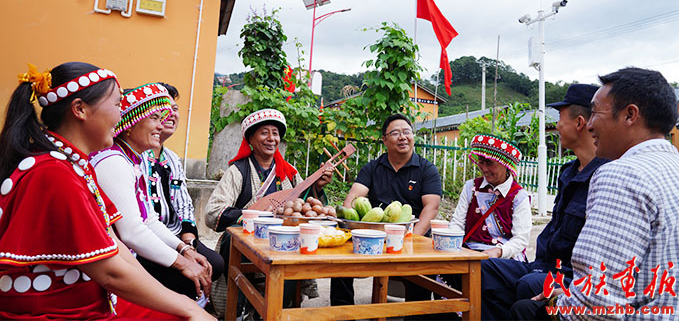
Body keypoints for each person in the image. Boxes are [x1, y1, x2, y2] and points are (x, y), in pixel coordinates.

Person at [0, 62, 212, 320]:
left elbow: (113, 242)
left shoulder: (76, 166)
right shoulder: (55, 172)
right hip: (58, 309)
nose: (121, 114)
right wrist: (186, 304)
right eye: (116, 104)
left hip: (88, 297)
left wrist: (178, 289)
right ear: (80, 109)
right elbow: (110, 269)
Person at [511, 67, 679, 319]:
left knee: (525, 309)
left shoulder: (621, 174)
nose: (590, 125)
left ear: (629, 115)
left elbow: (596, 302)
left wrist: (560, 305)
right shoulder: (672, 167)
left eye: (596, 113)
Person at [480, 84, 608, 320]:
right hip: (544, 266)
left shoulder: (606, 176)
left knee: (531, 285)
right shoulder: (567, 172)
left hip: (572, 275)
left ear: (579, 123)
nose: (557, 125)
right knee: (482, 270)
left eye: (560, 118)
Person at [92, 83, 213, 303]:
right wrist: (182, 262)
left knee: (202, 268)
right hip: (114, 263)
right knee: (187, 283)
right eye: (154, 118)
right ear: (130, 123)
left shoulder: (132, 160)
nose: (161, 125)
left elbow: (149, 220)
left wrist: (185, 248)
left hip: (128, 255)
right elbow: (132, 232)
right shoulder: (114, 161)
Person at [204, 108, 333, 314]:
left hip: (283, 243)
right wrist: (256, 217)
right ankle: (241, 309)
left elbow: (304, 203)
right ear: (251, 139)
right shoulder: (238, 171)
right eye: (264, 132)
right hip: (248, 243)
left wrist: (317, 187)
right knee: (231, 241)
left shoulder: (289, 173)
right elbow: (213, 213)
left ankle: (280, 308)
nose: (271, 138)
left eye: (275, 133)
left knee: (297, 248)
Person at [331, 113, 442, 306]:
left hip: (412, 235)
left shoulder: (426, 169)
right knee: (340, 264)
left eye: (407, 132)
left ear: (413, 137)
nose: (402, 137)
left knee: (423, 270)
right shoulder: (372, 168)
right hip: (373, 235)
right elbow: (352, 200)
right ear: (384, 140)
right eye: (396, 133)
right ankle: (343, 315)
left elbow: (431, 208)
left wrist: (410, 241)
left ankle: (415, 318)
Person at [141, 83, 224, 280]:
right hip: (150, 237)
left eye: (175, 109)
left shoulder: (172, 159)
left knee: (215, 263)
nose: (170, 114)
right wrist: (183, 250)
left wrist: (189, 241)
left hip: (177, 235)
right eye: (162, 109)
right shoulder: (136, 157)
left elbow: (184, 204)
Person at [449, 133, 531, 261]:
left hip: (504, 258)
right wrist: (452, 245)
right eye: (481, 162)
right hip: (470, 251)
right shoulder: (471, 187)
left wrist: (499, 251)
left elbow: (521, 239)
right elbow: (457, 223)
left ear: (505, 164)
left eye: (490, 163)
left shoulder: (519, 196)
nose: (484, 169)